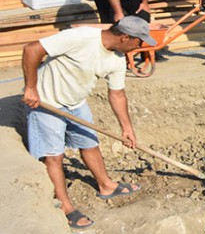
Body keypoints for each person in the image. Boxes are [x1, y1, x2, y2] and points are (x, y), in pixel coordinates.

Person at [21, 16, 152, 229]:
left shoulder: (117, 59)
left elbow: (117, 94)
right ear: (126, 37)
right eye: (139, 41)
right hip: (46, 102)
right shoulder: (81, 37)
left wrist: (127, 128)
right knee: (54, 156)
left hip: (76, 102)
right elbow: (32, 49)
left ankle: (106, 185)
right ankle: (64, 206)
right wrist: (31, 88)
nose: (141, 46)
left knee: (90, 143)